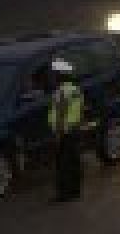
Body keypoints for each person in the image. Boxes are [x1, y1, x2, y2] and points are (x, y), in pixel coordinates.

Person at [48, 60, 83, 202]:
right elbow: (79, 111)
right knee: (74, 161)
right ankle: (75, 191)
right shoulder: (75, 89)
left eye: (54, 75)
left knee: (62, 164)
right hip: (74, 129)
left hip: (64, 131)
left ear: (59, 76)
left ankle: (63, 194)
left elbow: (61, 113)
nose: (53, 78)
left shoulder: (61, 92)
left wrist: (58, 134)